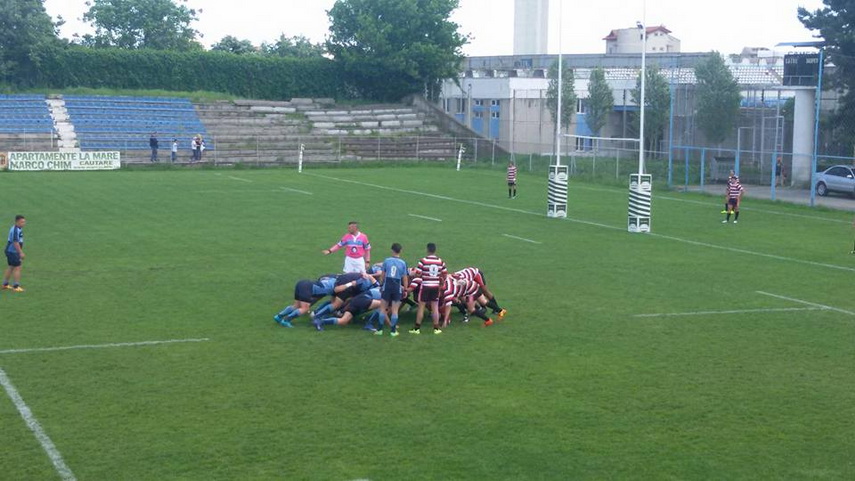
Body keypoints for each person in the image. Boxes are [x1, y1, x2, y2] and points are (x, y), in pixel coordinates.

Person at [410, 242, 447, 335]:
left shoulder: (423, 261)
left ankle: (417, 328)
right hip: (435, 286)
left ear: (427, 250)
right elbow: (444, 274)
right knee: (435, 307)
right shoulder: (440, 261)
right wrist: (440, 282)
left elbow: (418, 273)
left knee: (421, 307)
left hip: (425, 286)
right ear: (435, 250)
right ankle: (436, 328)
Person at [374, 243, 409, 337]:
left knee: (382, 309)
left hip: (387, 286)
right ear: (400, 251)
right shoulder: (403, 263)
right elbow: (405, 278)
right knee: (395, 310)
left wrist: (381, 285)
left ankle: (380, 330)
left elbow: (382, 275)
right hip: (397, 287)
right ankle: (393, 331)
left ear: (392, 250)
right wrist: (405, 290)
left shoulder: (387, 261)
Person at [2, 215, 26, 292]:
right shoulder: (15, 230)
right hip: (13, 251)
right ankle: (16, 286)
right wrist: (20, 252)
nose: (24, 223)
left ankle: (5, 284)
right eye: (22, 222)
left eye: (24, 222)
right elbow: (15, 242)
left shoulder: (17, 228)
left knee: (11, 267)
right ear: (17, 222)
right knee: (17, 267)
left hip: (10, 251)